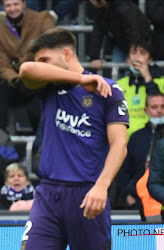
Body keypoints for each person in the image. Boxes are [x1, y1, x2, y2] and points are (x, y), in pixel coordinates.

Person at [19, 28, 129, 249]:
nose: (42, 64)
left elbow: (120, 144)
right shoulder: (48, 87)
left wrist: (102, 186)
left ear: (67, 54)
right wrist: (80, 79)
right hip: (48, 195)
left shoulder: (109, 90)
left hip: (88, 194)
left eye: (46, 59)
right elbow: (26, 69)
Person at [0, 0, 55, 132]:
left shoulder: (42, 18)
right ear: (3, 8)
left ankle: (40, 144)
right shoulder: (0, 30)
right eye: (8, 5)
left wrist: (30, 70)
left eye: (16, 4)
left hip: (40, 76)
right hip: (18, 79)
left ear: (24, 4)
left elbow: (51, 48)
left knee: (35, 101)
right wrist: (16, 79)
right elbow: (3, 64)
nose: (12, 9)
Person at [117, 93, 164, 210]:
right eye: (154, 107)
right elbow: (124, 171)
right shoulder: (136, 137)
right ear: (146, 110)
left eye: (163, 107)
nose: (159, 111)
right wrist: (127, 195)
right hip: (137, 202)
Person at [117, 40, 164, 140]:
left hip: (151, 141)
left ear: (150, 60)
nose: (137, 57)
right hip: (123, 143)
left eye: (143, 53)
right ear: (128, 59)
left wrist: (147, 77)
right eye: (134, 53)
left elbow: (159, 107)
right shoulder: (119, 84)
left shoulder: (161, 82)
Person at [89, 0, 151, 70]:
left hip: (139, 43)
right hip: (121, 44)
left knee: (134, 71)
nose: (90, 1)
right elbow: (97, 33)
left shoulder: (124, 8)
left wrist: (134, 54)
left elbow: (134, 31)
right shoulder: (101, 10)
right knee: (117, 69)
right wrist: (94, 57)